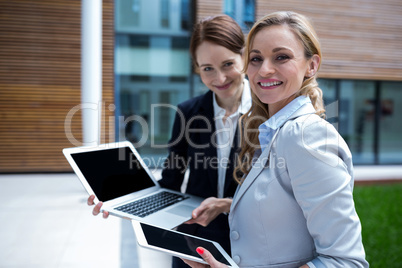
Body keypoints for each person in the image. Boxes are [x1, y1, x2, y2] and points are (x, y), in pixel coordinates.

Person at [183, 11, 369, 268]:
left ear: (312, 65)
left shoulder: (306, 136)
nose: (265, 69)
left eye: (281, 57)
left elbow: (344, 262)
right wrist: (228, 205)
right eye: (256, 58)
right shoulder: (271, 132)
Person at [87, 14, 252, 268]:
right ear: (197, 68)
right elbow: (171, 180)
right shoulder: (188, 112)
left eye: (228, 64)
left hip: (251, 246)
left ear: (245, 57)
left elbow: (279, 197)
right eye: (207, 68)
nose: (219, 78)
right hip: (193, 244)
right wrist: (120, 198)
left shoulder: (269, 112)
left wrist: (229, 205)